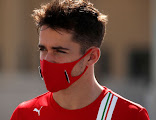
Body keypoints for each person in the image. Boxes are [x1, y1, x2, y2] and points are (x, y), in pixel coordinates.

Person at [10, 0, 150, 119]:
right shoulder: (25, 114)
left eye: (59, 51)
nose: (47, 59)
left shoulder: (130, 115)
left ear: (91, 56)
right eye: (43, 49)